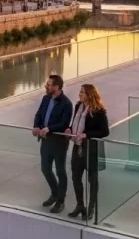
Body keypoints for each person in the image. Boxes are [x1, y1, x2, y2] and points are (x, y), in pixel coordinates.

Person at [67, 84, 110, 221]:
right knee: (75, 177)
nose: (79, 94)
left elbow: (105, 131)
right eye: (80, 92)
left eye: (82, 92)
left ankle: (91, 207)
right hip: (78, 146)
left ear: (90, 95)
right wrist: (69, 129)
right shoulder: (78, 106)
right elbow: (75, 123)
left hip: (91, 148)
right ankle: (80, 205)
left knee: (92, 179)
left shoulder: (99, 110)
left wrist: (87, 134)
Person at [32, 75, 74, 214]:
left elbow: (64, 123)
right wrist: (36, 126)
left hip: (59, 142)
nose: (46, 86)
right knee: (45, 169)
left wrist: (49, 129)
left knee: (60, 171)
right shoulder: (46, 98)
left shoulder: (66, 104)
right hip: (45, 140)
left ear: (57, 87)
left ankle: (60, 201)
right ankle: (55, 193)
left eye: (49, 85)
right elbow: (39, 114)